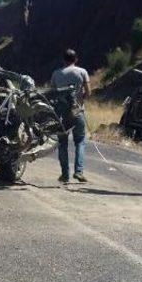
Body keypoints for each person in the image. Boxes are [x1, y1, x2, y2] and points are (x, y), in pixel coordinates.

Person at [51, 48, 91, 183]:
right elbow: (88, 92)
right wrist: (80, 101)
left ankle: (65, 175)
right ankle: (79, 172)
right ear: (76, 59)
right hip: (77, 111)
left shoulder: (56, 74)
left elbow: (52, 93)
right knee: (80, 141)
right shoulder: (82, 72)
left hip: (61, 113)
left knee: (62, 143)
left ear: (64, 60)